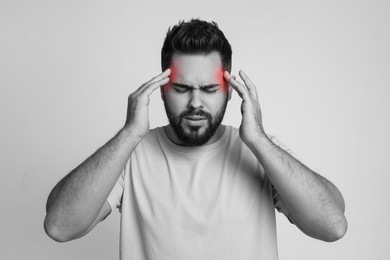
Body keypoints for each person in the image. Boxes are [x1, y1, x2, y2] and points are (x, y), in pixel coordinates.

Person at [44, 19, 347, 260]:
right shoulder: (131, 154)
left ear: (230, 90)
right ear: (161, 88)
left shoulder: (260, 152)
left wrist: (259, 140)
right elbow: (59, 226)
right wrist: (129, 134)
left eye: (209, 89)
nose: (195, 103)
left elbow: (333, 225)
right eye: (182, 88)